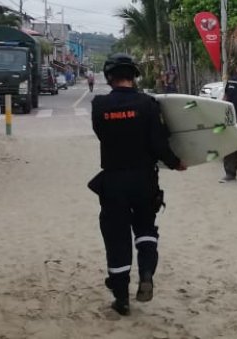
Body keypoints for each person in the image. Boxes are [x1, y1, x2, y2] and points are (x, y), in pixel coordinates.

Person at [88, 53, 186, 316]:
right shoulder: (148, 104)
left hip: (114, 180)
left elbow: (101, 134)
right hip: (144, 179)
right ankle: (145, 273)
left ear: (109, 77)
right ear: (134, 76)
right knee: (145, 228)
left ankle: (121, 298)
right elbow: (159, 143)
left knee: (116, 236)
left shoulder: (99, 106)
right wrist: (176, 162)